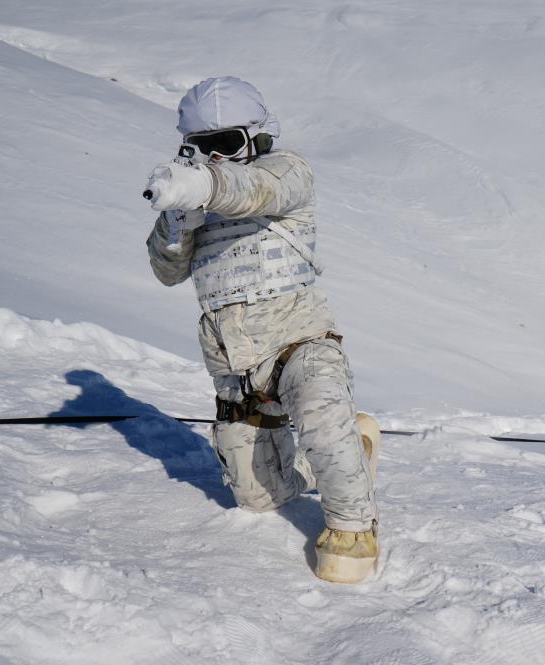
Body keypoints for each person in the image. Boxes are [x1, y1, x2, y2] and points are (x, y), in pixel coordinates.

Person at [143, 76, 379, 583]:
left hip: (299, 337)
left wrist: (205, 185)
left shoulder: (287, 171)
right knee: (258, 497)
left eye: (226, 146)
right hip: (233, 361)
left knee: (318, 414)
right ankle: (349, 453)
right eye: (202, 149)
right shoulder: (195, 198)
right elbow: (167, 272)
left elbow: (256, 190)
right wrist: (177, 220)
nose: (216, 160)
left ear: (257, 136)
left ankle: (352, 529)